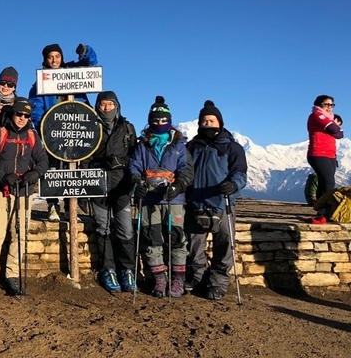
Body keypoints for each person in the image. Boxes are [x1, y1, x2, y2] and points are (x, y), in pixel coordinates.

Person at [0, 98, 49, 299]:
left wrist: (35, 173)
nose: (22, 118)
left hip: (24, 191)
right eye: (19, 114)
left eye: (26, 115)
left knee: (19, 235)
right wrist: (1, 175)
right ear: (12, 114)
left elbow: (43, 160)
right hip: (2, 190)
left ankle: (12, 275)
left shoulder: (32, 135)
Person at [128, 96, 193, 298]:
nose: (159, 123)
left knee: (177, 238)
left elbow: (186, 170)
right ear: (150, 120)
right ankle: (159, 279)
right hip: (149, 199)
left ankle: (178, 281)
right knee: (151, 238)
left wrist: (179, 186)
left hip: (174, 199)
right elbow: (134, 168)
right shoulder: (143, 145)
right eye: (156, 120)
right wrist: (137, 185)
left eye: (164, 120)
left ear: (170, 120)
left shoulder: (179, 145)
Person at [185, 100, 248, 301]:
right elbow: (184, 171)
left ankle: (218, 283)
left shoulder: (232, 147)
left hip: (223, 202)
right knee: (195, 246)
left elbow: (240, 173)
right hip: (196, 202)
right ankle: (197, 278)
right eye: (204, 120)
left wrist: (233, 185)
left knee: (224, 244)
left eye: (211, 120)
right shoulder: (191, 146)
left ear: (219, 122)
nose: (208, 124)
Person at [28, 43, 98, 222]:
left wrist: (86, 51)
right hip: (53, 132)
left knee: (73, 170)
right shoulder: (40, 83)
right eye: (50, 57)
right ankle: (52, 205)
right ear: (45, 59)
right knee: (52, 169)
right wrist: (44, 130)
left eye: (57, 56)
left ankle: (70, 207)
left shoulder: (72, 74)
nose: (54, 60)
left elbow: (90, 65)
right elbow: (36, 110)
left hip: (76, 129)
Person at [82, 91, 138, 293]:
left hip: (121, 186)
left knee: (125, 230)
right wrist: (83, 189)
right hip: (97, 186)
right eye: (103, 104)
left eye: (110, 104)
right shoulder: (90, 128)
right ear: (98, 106)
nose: (106, 108)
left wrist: (121, 163)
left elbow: (135, 157)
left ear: (117, 106)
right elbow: (84, 159)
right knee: (103, 229)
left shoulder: (127, 128)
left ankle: (128, 270)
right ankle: (108, 270)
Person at [307, 95, 343, 201]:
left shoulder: (329, 118)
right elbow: (333, 129)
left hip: (331, 154)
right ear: (319, 104)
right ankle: (326, 210)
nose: (330, 107)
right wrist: (335, 127)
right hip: (319, 153)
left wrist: (335, 128)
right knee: (329, 182)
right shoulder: (316, 115)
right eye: (326, 104)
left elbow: (340, 135)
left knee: (324, 183)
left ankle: (321, 209)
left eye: (332, 105)